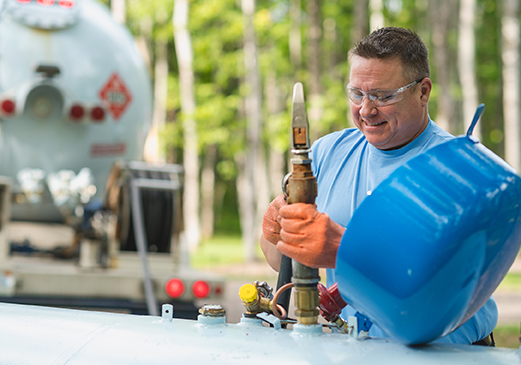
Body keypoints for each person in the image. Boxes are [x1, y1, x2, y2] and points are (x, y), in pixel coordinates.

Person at [260, 27, 497, 345]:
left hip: (444, 351)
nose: (366, 110)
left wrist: (344, 249)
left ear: (423, 92)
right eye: (357, 94)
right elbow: (281, 261)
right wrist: (276, 234)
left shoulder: (459, 168)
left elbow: (449, 283)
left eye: (384, 96)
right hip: (356, 347)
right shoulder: (327, 153)